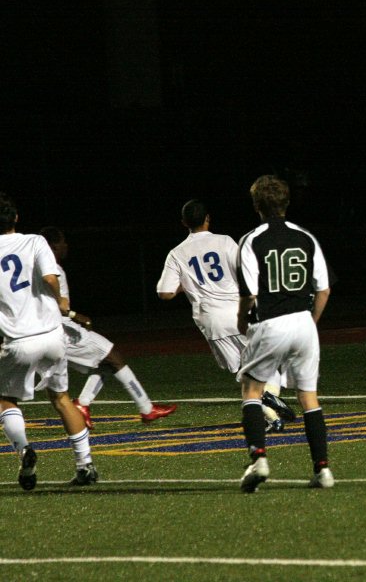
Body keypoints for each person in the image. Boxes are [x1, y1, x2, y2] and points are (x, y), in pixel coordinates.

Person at [155, 200, 294, 431]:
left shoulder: (177, 253)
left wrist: (185, 284)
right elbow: (245, 272)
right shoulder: (225, 241)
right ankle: (270, 405)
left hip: (211, 320)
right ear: (208, 218)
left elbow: (164, 293)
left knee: (245, 373)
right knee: (268, 364)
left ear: (184, 223)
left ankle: (272, 416)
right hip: (239, 312)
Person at [235, 175, 333, 492]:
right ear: (286, 203)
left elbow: (249, 295)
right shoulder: (306, 237)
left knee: (251, 391)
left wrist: (241, 322)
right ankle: (323, 469)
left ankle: (259, 459)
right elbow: (324, 290)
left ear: (256, 206)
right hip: (303, 322)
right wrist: (311, 322)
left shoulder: (251, 240)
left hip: (270, 323)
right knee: (308, 397)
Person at [0, 193, 98, 488]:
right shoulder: (35, 241)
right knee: (62, 399)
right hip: (53, 334)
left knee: (5, 400)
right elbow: (51, 277)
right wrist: (62, 300)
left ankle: (25, 453)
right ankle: (86, 466)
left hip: (18, 339)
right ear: (16, 218)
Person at [38, 227, 176, 428]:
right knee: (114, 356)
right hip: (61, 330)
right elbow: (57, 306)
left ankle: (83, 404)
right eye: (62, 242)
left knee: (105, 361)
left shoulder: (37, 269)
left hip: (48, 331)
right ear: (53, 246)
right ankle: (146, 409)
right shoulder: (53, 271)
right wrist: (77, 315)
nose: (66, 245)